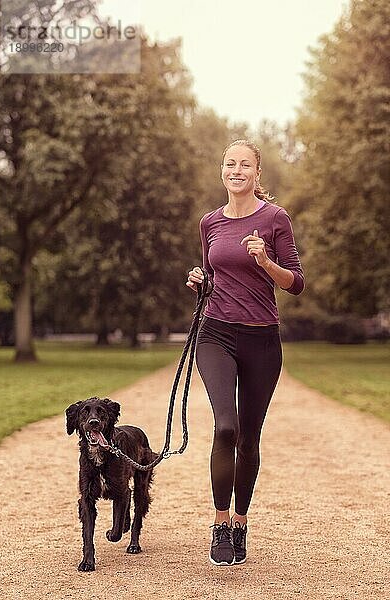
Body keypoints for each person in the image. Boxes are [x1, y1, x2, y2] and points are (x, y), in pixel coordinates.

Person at [186, 139, 304, 566]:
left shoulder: (275, 219)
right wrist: (201, 281)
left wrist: (266, 262)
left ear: (257, 173)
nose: (236, 170)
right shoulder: (209, 223)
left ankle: (240, 523)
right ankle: (219, 525)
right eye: (229, 163)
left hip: (261, 339)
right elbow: (215, 275)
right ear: (223, 171)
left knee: (249, 439)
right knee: (225, 428)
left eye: (244, 165)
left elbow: (296, 282)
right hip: (215, 333)